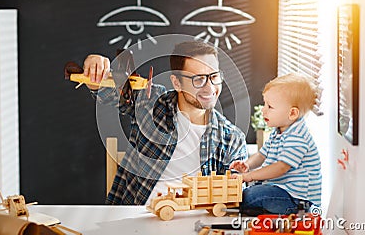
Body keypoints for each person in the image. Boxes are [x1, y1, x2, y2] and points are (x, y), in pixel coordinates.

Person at [83, 41, 248, 205]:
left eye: (214, 76)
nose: (209, 88)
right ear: (177, 83)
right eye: (198, 79)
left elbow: (233, 197)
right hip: (134, 215)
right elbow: (108, 93)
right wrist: (94, 71)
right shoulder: (152, 103)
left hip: (194, 222)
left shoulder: (232, 139)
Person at [230, 73, 321, 215]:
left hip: (297, 201)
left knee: (252, 195)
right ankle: (250, 206)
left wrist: (250, 176)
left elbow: (280, 168)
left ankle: (243, 206)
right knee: (252, 191)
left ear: (292, 113)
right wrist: (247, 165)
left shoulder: (298, 137)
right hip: (282, 190)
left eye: (270, 107)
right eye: (265, 104)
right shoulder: (279, 131)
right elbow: (262, 154)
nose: (263, 109)